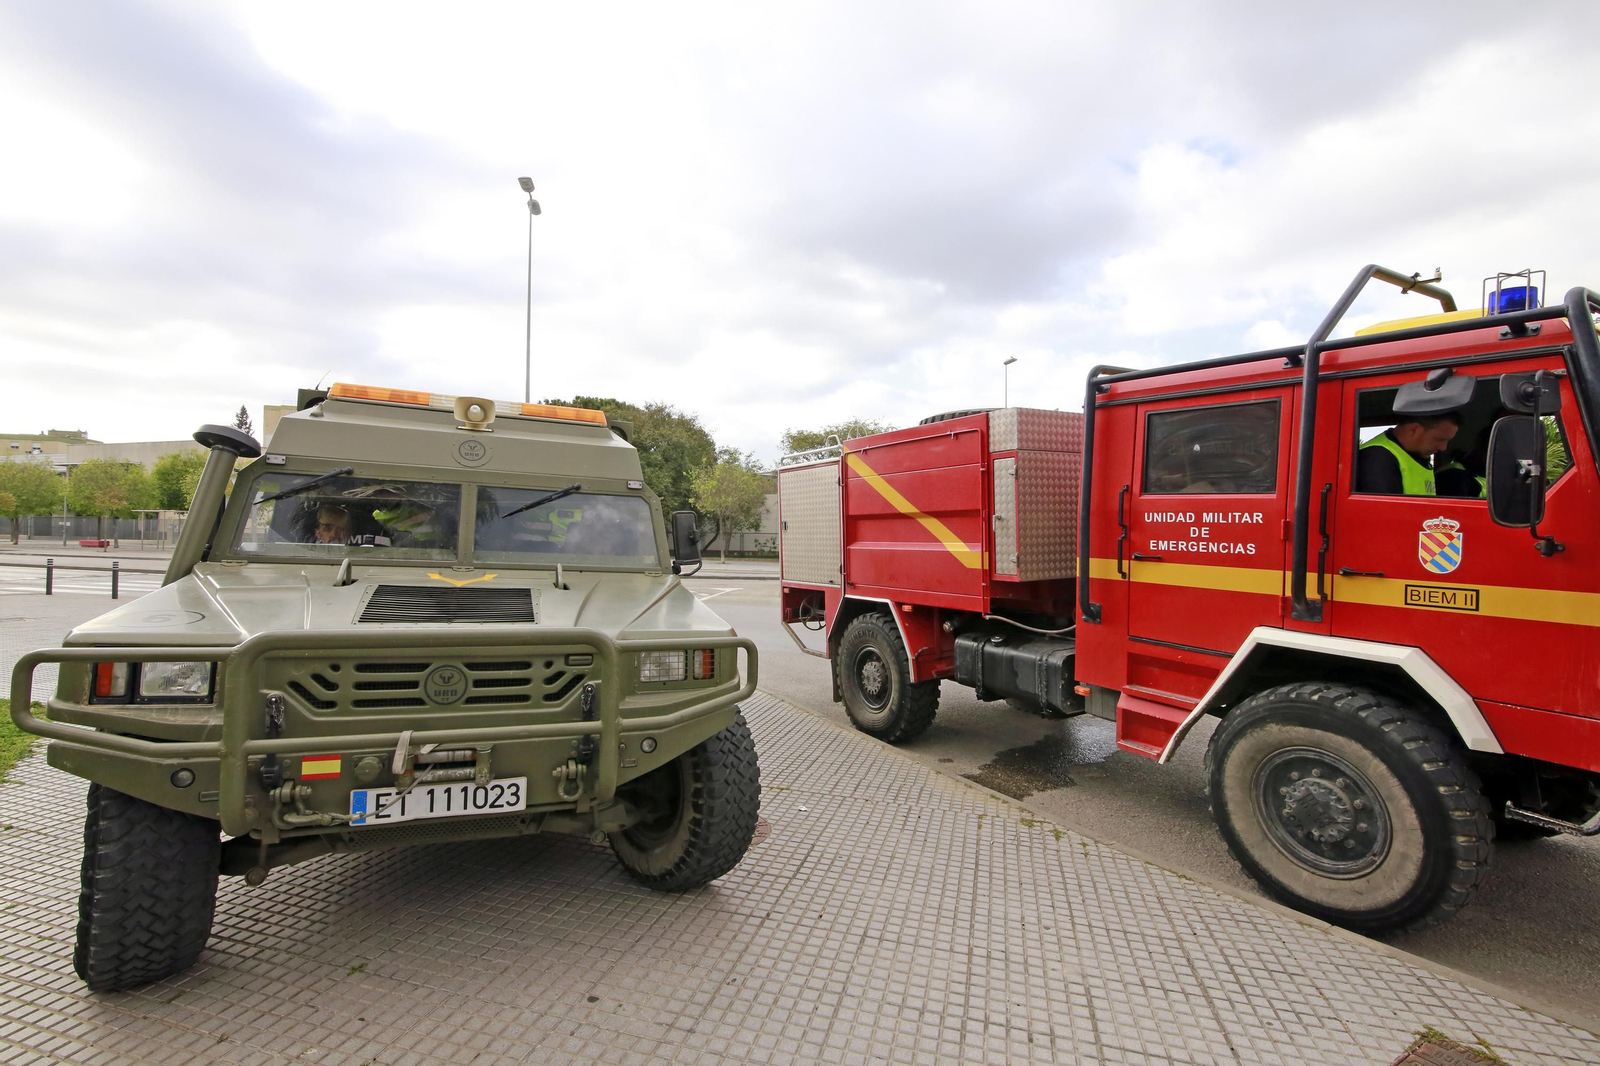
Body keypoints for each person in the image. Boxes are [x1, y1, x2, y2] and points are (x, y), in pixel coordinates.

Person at [1356, 413, 1460, 496]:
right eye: (1439, 439)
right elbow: (1385, 515)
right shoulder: (1378, 457)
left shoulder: (1416, 454)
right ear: (1414, 430)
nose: (1443, 447)